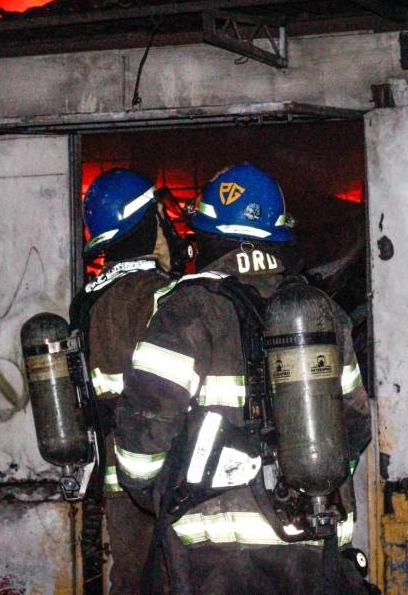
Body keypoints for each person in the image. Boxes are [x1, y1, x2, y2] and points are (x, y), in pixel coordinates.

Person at [114, 163, 372, 594]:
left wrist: (149, 489)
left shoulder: (188, 311)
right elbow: (356, 424)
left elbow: (146, 426)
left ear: (208, 235)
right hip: (313, 543)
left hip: (220, 557)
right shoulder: (321, 312)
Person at [71, 168, 190, 594]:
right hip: (173, 477)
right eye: (160, 219)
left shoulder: (86, 303)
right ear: (146, 225)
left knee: (132, 578)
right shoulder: (169, 298)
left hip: (118, 483)